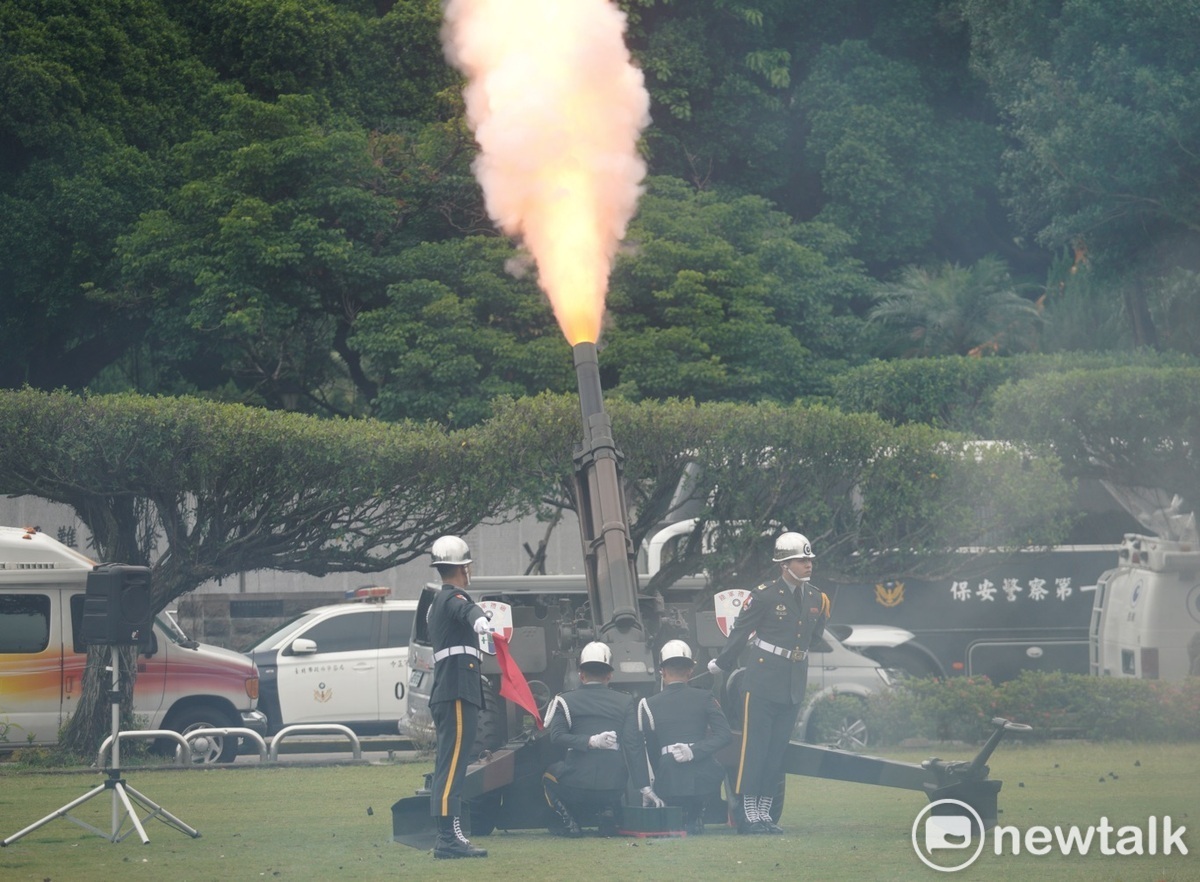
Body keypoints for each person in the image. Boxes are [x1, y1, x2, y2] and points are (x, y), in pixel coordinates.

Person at [707, 532, 830, 834]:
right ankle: (748, 813)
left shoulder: (816, 597)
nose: (807, 564)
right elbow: (740, 633)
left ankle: (764, 813)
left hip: (792, 680)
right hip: (762, 679)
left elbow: (814, 636)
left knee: (776, 750)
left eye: (809, 559)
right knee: (755, 748)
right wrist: (721, 664)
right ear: (784, 565)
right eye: (801, 560)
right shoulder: (763, 595)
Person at [542, 642, 662, 836]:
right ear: (609, 675)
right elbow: (633, 746)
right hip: (613, 786)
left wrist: (587, 741)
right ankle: (607, 813)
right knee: (611, 774)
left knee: (549, 776)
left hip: (575, 785)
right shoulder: (625, 701)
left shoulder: (565, 700)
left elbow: (556, 737)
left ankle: (569, 822)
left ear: (580, 675)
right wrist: (644, 786)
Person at [426, 535, 495, 859]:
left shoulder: (444, 600)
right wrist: (479, 617)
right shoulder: (452, 598)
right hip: (455, 689)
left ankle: (450, 834)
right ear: (463, 569)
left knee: (451, 762)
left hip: (454, 688)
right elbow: (465, 609)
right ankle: (447, 838)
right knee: (453, 764)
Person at [637, 639, 732, 835]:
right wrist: (695, 752)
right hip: (703, 772)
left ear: (662, 671)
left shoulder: (647, 704)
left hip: (667, 773)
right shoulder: (706, 697)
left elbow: (650, 748)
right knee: (707, 775)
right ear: (690, 671)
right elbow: (724, 735)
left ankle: (682, 816)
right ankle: (695, 815)